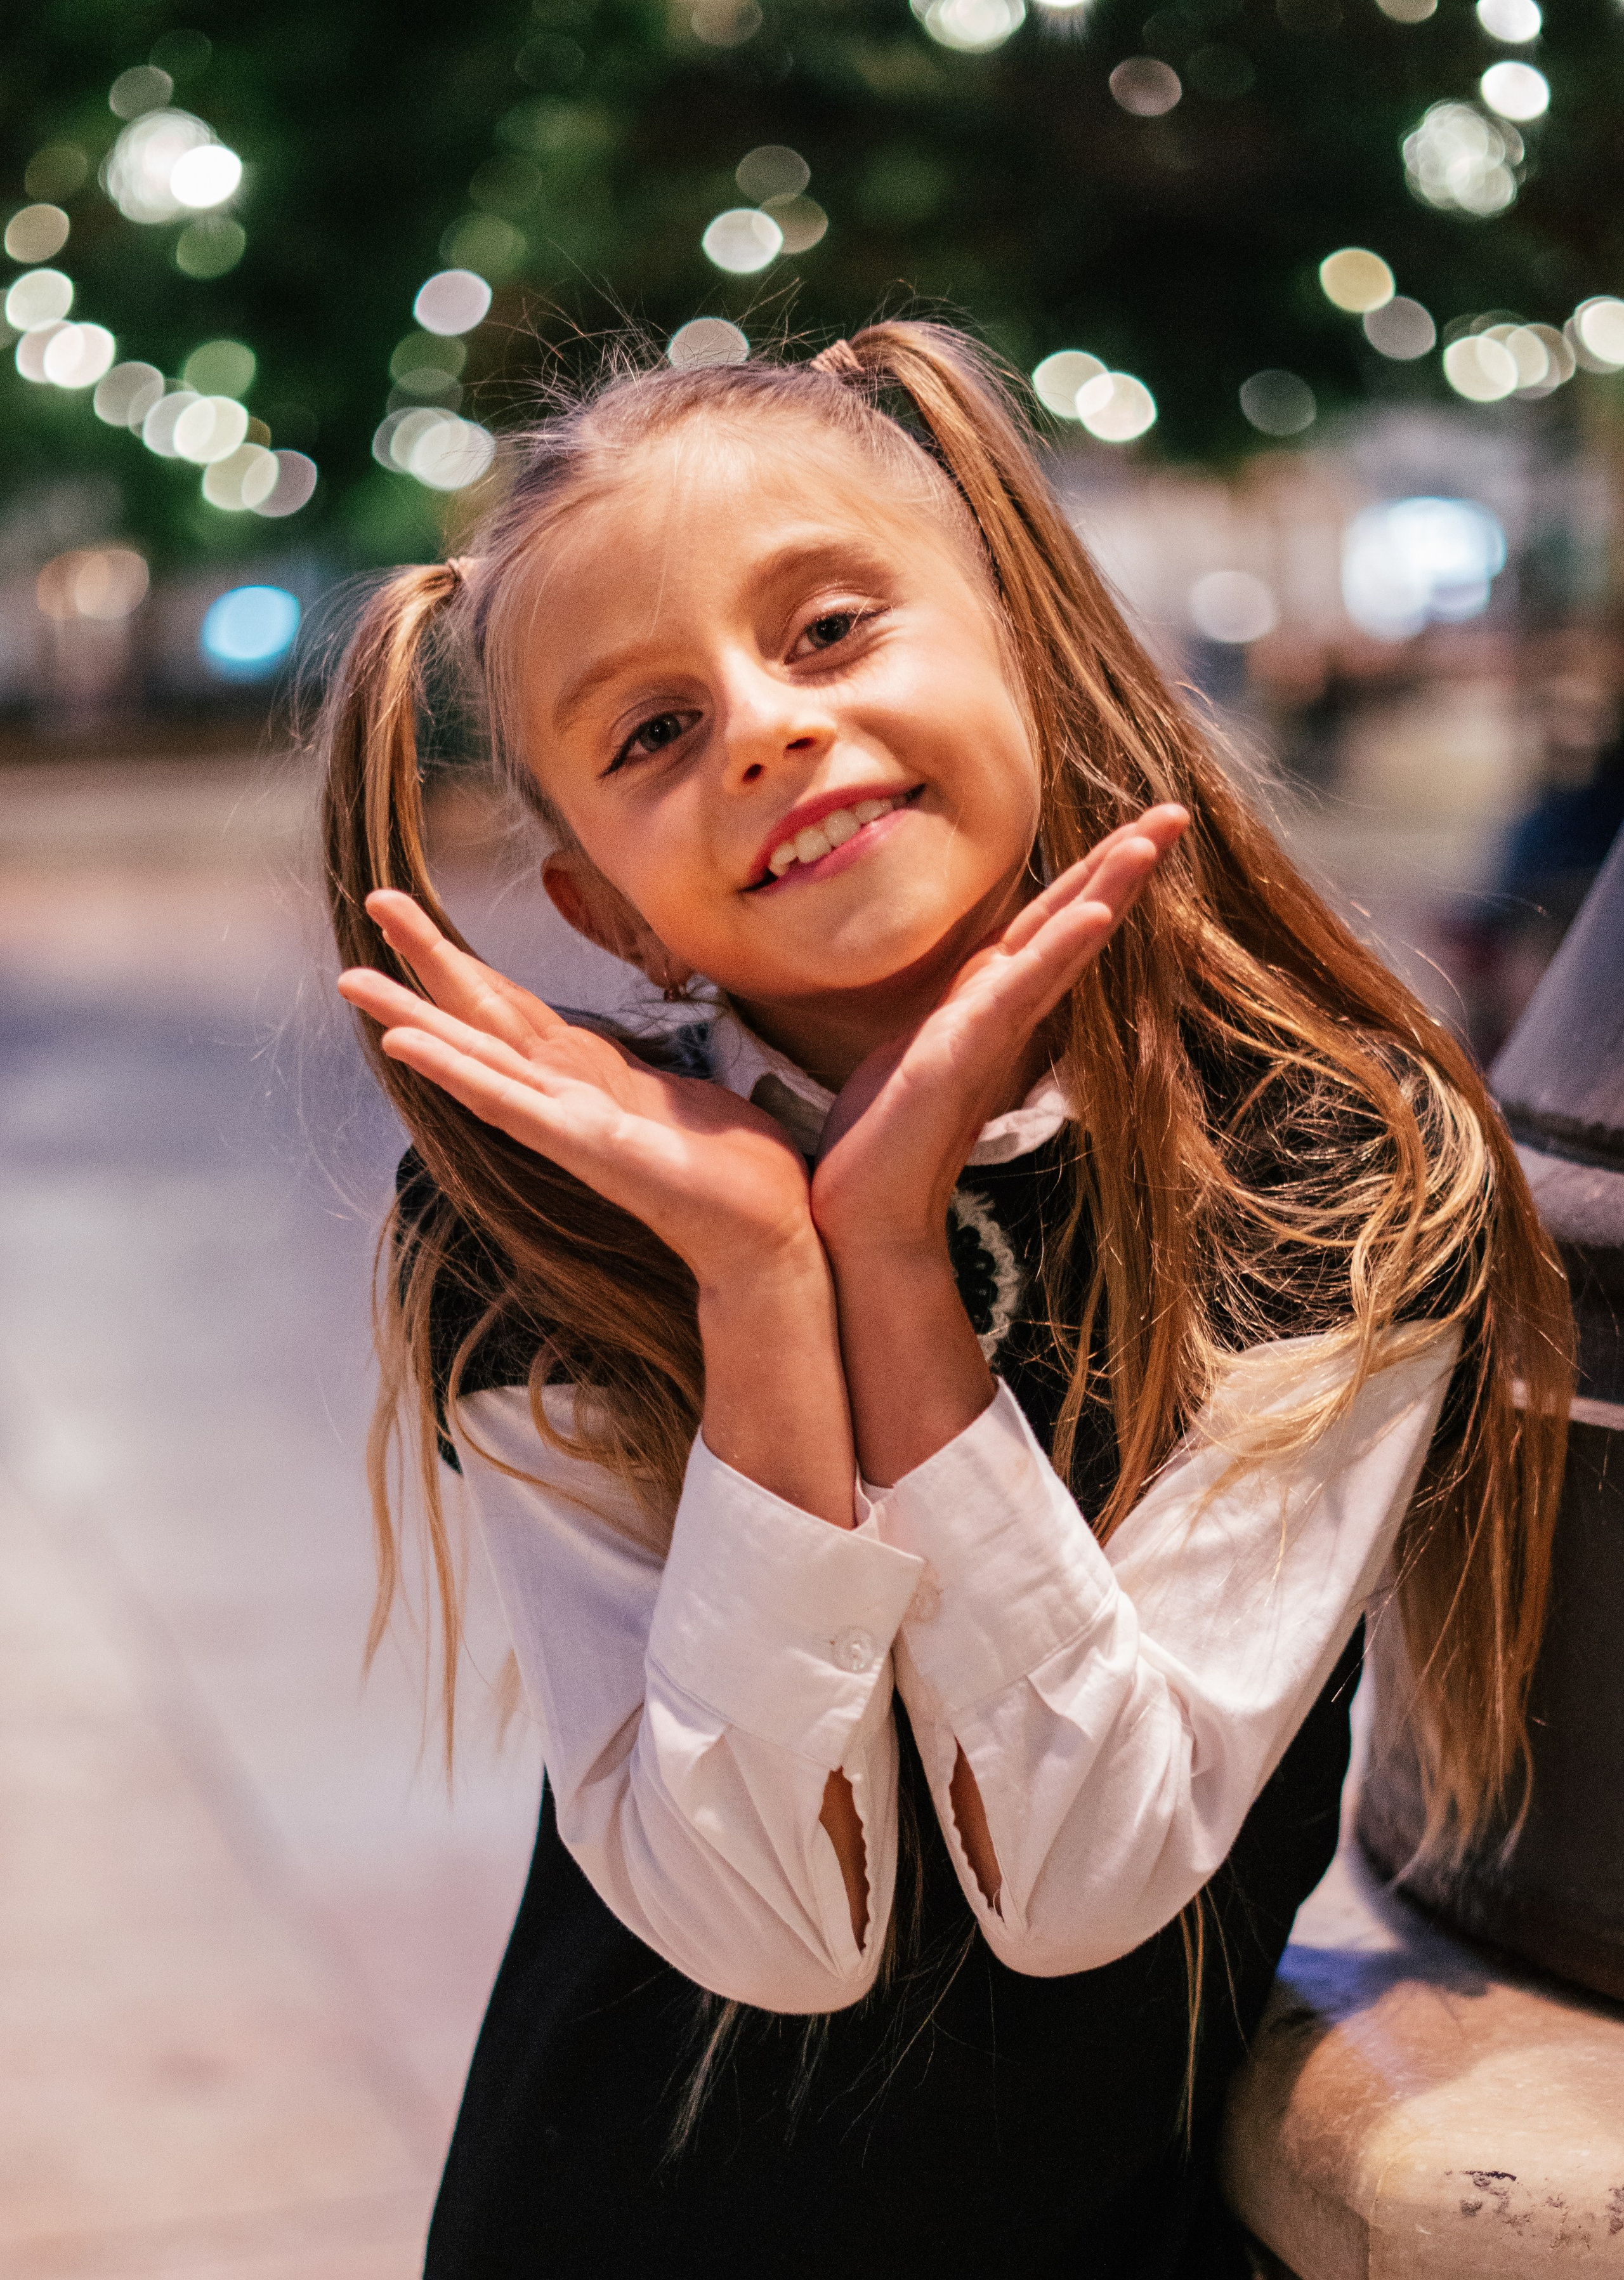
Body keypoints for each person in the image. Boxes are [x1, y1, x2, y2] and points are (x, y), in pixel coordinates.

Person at [319, 323, 1571, 2277]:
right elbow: (767, 1923)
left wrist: (889, 1263)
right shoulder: (534, 1217)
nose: (762, 726)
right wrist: (756, 1277)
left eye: (827, 630)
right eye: (649, 733)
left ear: (1022, 644)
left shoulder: (1332, 1153)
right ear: (609, 917)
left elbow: (1084, 1880)